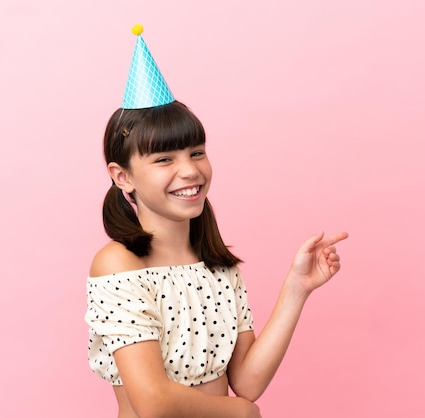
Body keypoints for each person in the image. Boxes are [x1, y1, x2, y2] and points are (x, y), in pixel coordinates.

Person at [85, 25, 348, 418]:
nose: (189, 170)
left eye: (196, 152)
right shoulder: (119, 265)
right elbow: (153, 402)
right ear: (122, 177)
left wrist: (297, 288)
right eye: (164, 159)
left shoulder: (215, 264)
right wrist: (240, 413)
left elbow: (247, 381)